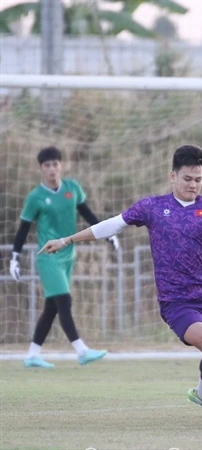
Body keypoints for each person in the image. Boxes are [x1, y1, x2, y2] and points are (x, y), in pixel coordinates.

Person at [39, 145, 202, 423]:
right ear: (172, 176)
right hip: (176, 302)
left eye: (198, 179)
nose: (193, 184)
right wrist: (67, 240)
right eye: (187, 178)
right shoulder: (153, 207)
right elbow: (110, 225)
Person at [10, 146, 117, 368]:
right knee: (64, 301)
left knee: (52, 307)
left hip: (69, 254)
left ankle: (32, 355)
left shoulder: (72, 188)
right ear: (41, 168)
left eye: (55, 164)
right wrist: (15, 257)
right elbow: (23, 229)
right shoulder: (35, 197)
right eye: (47, 165)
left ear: (61, 165)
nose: (52, 168)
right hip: (48, 255)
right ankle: (81, 351)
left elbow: (87, 214)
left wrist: (108, 235)